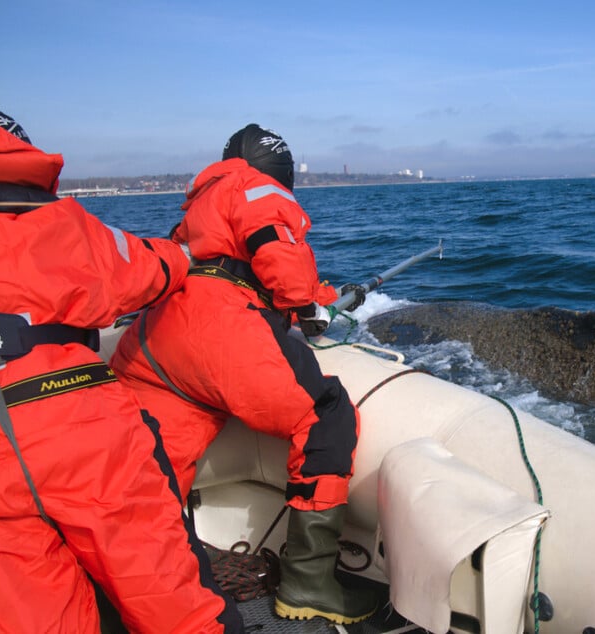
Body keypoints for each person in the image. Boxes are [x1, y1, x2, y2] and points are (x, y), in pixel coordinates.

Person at [0, 100, 244, 633]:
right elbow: (148, 271)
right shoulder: (61, 221)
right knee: (173, 602)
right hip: (79, 428)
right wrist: (186, 257)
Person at [108, 123, 377, 624]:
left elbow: (216, 264)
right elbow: (283, 268)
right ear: (282, 170)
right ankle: (309, 581)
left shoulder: (198, 207)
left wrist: (308, 298)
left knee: (154, 467)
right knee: (325, 414)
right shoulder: (260, 189)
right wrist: (311, 304)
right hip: (221, 335)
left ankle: (139, 587)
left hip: (155, 344)